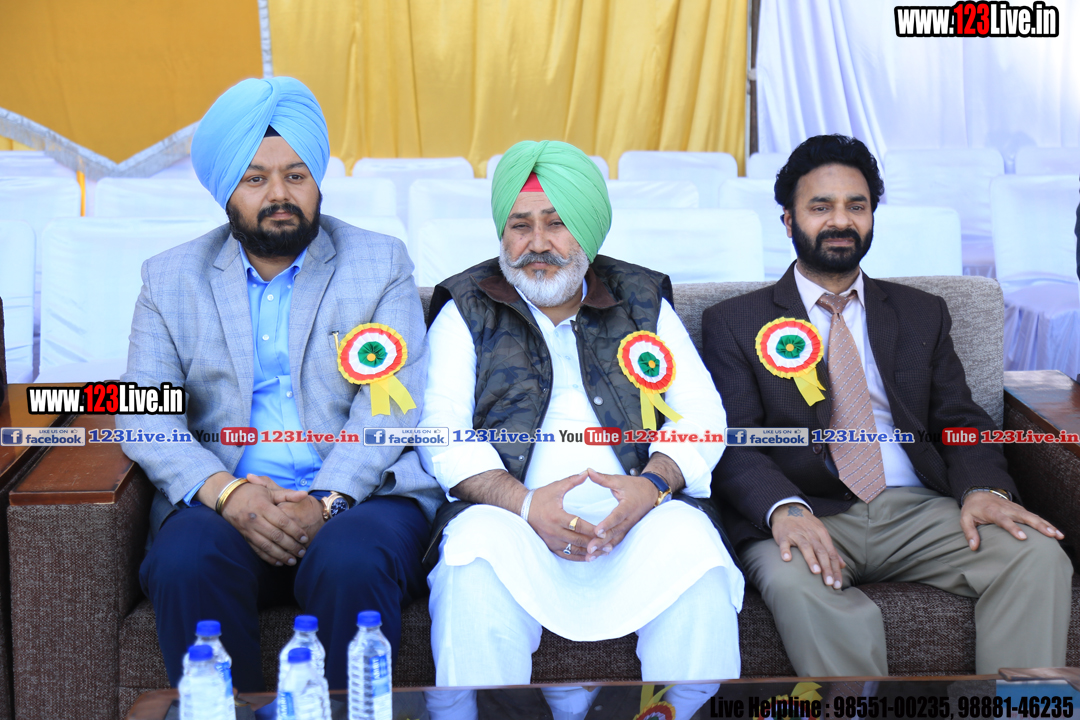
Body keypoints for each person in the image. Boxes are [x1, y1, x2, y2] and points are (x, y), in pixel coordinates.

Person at [702, 134, 1071, 677]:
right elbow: (735, 441)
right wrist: (783, 509)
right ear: (788, 220)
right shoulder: (735, 321)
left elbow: (960, 421)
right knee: (793, 582)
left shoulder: (922, 312)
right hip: (807, 508)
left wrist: (983, 489)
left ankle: (1015, 713)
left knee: (1035, 555)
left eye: (856, 206)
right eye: (820, 207)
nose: (840, 220)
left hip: (919, 509)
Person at [117, 76, 442, 692]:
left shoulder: (378, 263)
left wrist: (327, 501)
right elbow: (142, 413)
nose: (279, 195)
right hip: (227, 497)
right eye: (255, 178)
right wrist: (227, 494)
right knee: (185, 561)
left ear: (317, 181)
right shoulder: (170, 280)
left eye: (296, 175)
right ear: (226, 191)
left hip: (361, 500)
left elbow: (390, 406)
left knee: (351, 560)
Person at [419, 140, 743, 720]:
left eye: (557, 223)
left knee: (693, 545)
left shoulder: (640, 299)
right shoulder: (466, 305)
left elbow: (701, 414)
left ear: (587, 232)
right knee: (472, 554)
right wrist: (524, 504)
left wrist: (652, 487)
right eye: (520, 225)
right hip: (513, 520)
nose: (537, 243)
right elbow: (440, 432)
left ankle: (679, 712)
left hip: (639, 518)